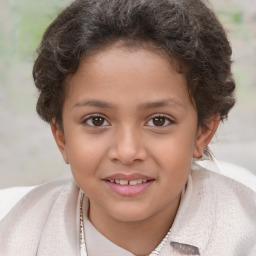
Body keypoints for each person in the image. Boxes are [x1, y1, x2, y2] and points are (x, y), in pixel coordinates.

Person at [0, 0, 255, 255]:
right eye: (96, 120)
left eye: (159, 120)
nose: (127, 151)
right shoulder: (16, 234)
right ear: (62, 137)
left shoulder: (244, 236)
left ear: (203, 131)